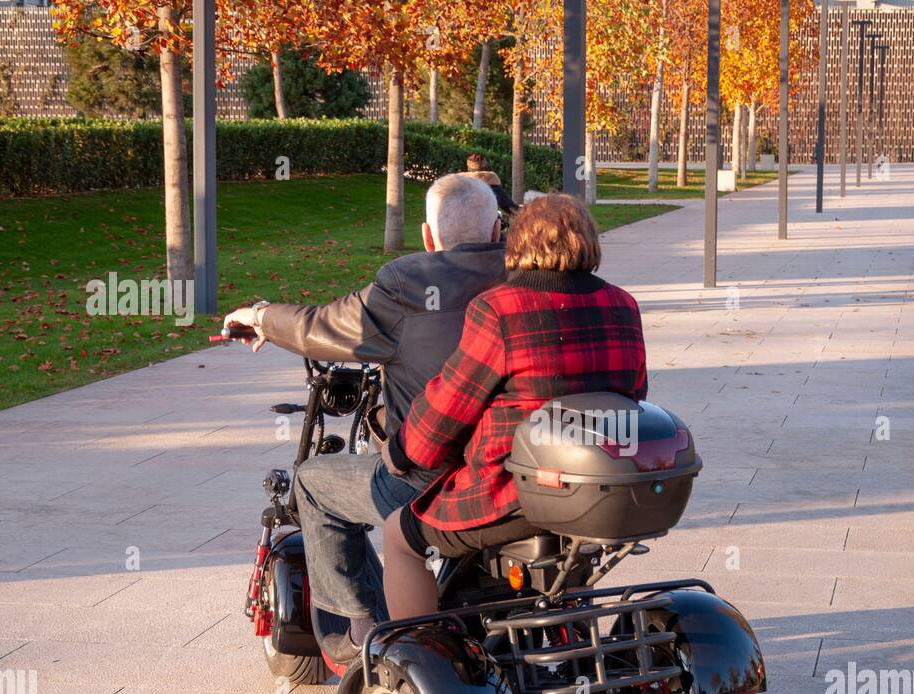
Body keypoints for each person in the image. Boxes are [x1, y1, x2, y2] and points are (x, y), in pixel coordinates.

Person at [220, 173, 506, 662]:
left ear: (427, 236)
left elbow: (321, 327)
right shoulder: (530, 274)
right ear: (498, 230)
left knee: (312, 482)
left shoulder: (408, 281)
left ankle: (358, 632)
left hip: (434, 477)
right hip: (520, 467)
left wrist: (261, 315)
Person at [379, 193, 648, 620]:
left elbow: (448, 406)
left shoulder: (500, 308)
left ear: (514, 243)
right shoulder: (622, 305)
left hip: (514, 492)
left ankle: (414, 650)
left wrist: (400, 452)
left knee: (399, 537)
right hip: (595, 489)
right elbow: (635, 397)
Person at [463, 153, 519, 225]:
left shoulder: (457, 183)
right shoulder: (492, 183)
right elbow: (511, 208)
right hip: (485, 229)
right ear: (486, 168)